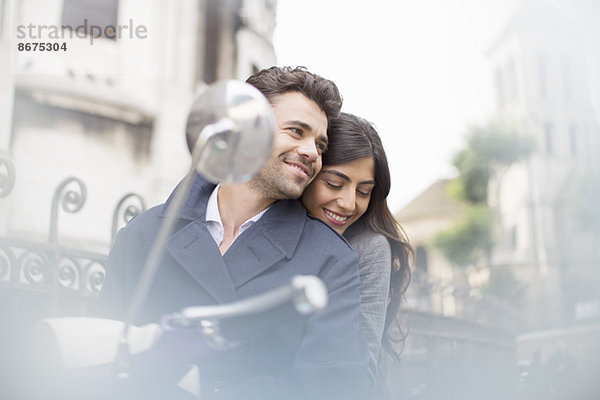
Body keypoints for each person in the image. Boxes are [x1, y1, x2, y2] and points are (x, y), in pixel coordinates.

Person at [98, 67, 369, 400]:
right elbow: (103, 358)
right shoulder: (143, 236)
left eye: (320, 144)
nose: (313, 152)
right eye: (296, 131)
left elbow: (331, 388)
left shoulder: (331, 260)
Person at [302, 112, 413, 397]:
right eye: (335, 184)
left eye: (364, 192)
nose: (349, 204)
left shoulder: (368, 247)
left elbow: (362, 371)